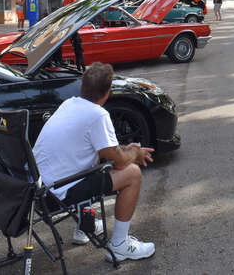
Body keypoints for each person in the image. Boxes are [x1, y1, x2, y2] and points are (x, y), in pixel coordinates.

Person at [33, 62, 156, 262]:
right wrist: (135, 153)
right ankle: (119, 245)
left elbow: (103, 151)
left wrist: (125, 151)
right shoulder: (98, 115)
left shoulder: (69, 104)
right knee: (132, 174)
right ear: (107, 92)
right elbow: (120, 164)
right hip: (57, 195)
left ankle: (84, 227)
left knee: (92, 158)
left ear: (82, 87)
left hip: (38, 190)